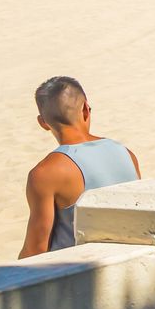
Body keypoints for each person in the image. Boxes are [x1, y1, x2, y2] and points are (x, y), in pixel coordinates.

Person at [20, 77, 141, 257]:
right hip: (127, 265)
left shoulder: (45, 173)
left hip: (77, 275)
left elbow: (36, 250)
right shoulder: (126, 154)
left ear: (43, 123)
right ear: (85, 109)